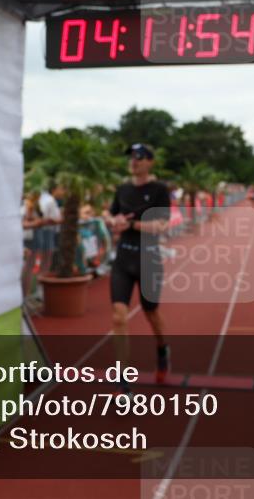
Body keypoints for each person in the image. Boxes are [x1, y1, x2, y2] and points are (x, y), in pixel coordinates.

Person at [104, 143, 172, 385]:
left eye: (140, 157)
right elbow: (109, 213)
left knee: (150, 312)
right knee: (118, 316)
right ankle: (122, 378)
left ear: (150, 162)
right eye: (131, 157)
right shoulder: (122, 189)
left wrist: (132, 225)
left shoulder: (159, 190)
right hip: (124, 259)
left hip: (148, 260)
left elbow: (162, 225)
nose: (134, 161)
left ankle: (162, 349)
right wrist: (112, 220)